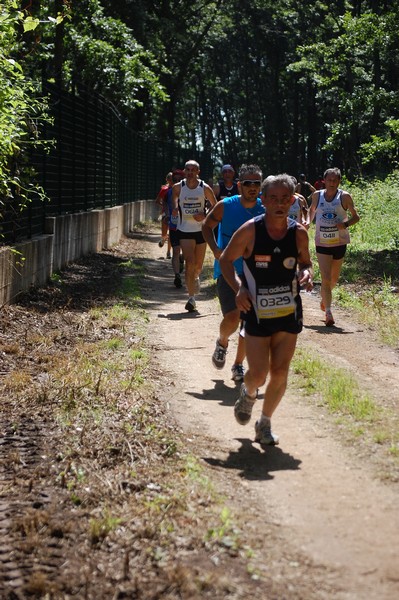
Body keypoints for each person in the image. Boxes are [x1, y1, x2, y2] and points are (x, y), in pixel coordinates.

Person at [219, 174, 313, 447]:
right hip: (256, 312)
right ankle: (248, 393)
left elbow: (305, 263)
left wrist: (306, 273)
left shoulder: (298, 233)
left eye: (286, 199)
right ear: (264, 200)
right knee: (259, 374)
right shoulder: (250, 230)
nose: (280, 204)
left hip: (288, 311)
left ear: (293, 200)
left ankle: (265, 423)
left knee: (281, 372)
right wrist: (239, 288)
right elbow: (226, 260)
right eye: (273, 199)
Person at [202, 164, 265, 383]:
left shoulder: (264, 209)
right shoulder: (224, 206)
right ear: (239, 185)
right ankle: (222, 341)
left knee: (249, 322)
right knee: (233, 316)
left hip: (255, 273)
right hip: (227, 270)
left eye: (257, 183)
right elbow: (206, 226)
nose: (253, 187)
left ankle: (238, 365)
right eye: (248, 183)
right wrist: (216, 250)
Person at [308, 167, 360, 327]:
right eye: (329, 180)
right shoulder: (317, 195)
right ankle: (328, 312)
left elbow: (356, 217)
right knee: (325, 277)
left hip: (339, 242)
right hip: (322, 242)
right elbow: (311, 210)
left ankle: (325, 299)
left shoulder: (344, 196)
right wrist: (306, 224)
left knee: (334, 279)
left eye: (335, 180)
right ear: (324, 180)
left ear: (338, 181)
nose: (332, 183)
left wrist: (344, 224)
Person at [171, 159, 217, 312]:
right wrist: (175, 210)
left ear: (198, 172)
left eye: (193, 170)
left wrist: (205, 214)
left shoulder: (205, 188)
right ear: (184, 171)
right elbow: (174, 202)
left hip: (201, 231)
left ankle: (196, 277)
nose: (190, 172)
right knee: (190, 263)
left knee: (197, 266)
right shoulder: (178, 187)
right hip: (184, 230)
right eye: (187, 169)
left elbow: (216, 207)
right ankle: (191, 298)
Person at [165, 169, 185, 288]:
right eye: (174, 180)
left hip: (187, 227)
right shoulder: (169, 192)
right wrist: (167, 214)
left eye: (179, 180)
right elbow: (166, 204)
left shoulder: (190, 191)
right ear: (171, 181)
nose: (177, 182)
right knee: (176, 250)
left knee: (185, 252)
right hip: (174, 226)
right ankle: (177, 275)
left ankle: (183, 258)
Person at [155, 172, 173, 257]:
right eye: (170, 179)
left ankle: (168, 252)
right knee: (164, 233)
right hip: (165, 213)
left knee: (171, 233)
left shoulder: (179, 189)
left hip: (175, 214)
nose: (172, 180)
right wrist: (164, 206)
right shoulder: (164, 190)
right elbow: (157, 201)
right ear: (167, 180)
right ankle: (163, 240)